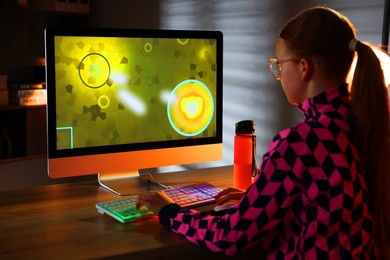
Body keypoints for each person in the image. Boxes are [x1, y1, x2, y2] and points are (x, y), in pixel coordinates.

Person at [137, 6, 390, 259]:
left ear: (304, 67)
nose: (277, 75)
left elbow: (228, 237)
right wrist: (256, 199)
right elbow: (325, 204)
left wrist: (168, 211)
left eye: (279, 65)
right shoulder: (358, 126)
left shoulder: (301, 143)